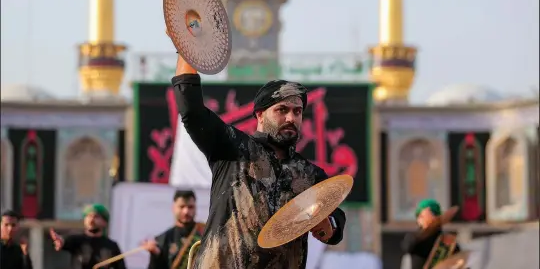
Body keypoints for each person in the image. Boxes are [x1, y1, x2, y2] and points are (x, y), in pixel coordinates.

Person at [169, 41, 347, 269]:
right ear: (260, 115)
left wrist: (326, 225)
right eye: (282, 110)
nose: (291, 118)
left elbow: (336, 220)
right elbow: (192, 111)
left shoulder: (310, 175)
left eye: (297, 111)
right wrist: (185, 46)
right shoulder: (233, 148)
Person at [49, 203, 126, 269]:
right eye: (88, 216)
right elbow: (64, 241)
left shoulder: (111, 246)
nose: (91, 220)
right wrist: (60, 241)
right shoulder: (77, 239)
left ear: (105, 222)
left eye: (96, 216)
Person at [143, 190, 205, 269]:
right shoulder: (162, 239)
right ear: (173, 208)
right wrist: (155, 255)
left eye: (190, 207)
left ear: (195, 208)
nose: (186, 211)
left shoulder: (205, 233)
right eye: (182, 206)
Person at [401, 199, 462, 269]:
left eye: (422, 216)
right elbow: (407, 247)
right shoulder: (414, 238)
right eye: (419, 216)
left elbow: (459, 261)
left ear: (435, 217)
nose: (419, 219)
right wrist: (430, 228)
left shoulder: (448, 242)